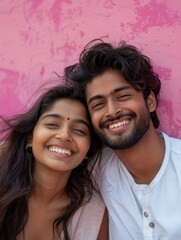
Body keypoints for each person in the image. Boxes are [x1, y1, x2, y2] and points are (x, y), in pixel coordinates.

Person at [64, 39, 181, 240]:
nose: (112, 111)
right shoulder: (94, 171)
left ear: (150, 101)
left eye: (123, 96)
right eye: (98, 105)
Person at [0, 84, 108, 240]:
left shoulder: (91, 213)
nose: (64, 135)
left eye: (79, 130)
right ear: (30, 138)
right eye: (52, 124)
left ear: (88, 152)